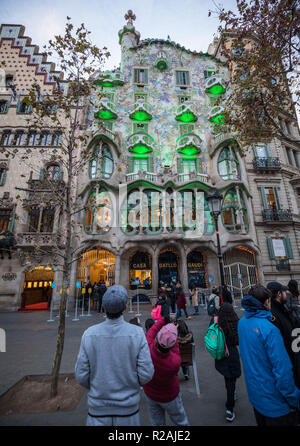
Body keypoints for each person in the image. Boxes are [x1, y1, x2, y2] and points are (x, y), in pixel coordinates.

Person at [75, 285, 154, 426]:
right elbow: (147, 373)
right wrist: (130, 383)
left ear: (104, 307)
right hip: (128, 411)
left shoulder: (89, 334)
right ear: (125, 307)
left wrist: (99, 385)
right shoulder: (136, 333)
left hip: (97, 411)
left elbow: (81, 375)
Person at [238, 284, 300, 426]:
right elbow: (282, 371)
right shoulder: (269, 329)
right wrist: (294, 399)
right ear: (266, 302)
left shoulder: (242, 323)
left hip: (255, 396)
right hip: (276, 403)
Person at [143, 316, 189, 426]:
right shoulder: (174, 362)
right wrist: (173, 330)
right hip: (170, 396)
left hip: (150, 393)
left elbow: (151, 332)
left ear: (158, 338)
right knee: (180, 421)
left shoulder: (147, 348)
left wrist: (164, 320)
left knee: (157, 423)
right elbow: (175, 348)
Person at [267, 281, 300, 389]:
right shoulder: (274, 315)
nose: (287, 293)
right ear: (279, 294)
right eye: (284, 291)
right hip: (288, 364)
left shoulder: (283, 309)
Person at [214, 303, 241, 422]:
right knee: (231, 380)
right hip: (232, 353)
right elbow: (238, 340)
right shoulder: (236, 323)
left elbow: (210, 335)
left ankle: (232, 393)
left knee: (227, 377)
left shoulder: (216, 322)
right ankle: (229, 409)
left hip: (221, 353)